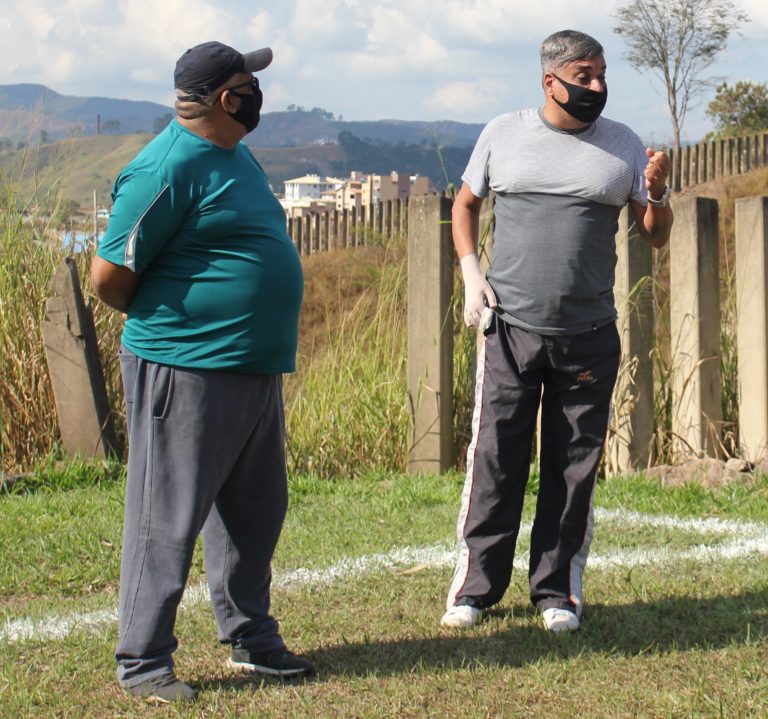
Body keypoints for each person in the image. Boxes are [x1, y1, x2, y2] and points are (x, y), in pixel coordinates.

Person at [90, 41, 313, 703]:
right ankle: (143, 661)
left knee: (254, 512)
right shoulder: (164, 168)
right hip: (183, 367)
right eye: (250, 83)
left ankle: (251, 636)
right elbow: (109, 277)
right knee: (166, 518)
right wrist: (181, 327)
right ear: (225, 97)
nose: (257, 95)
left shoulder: (233, 154)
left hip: (251, 369)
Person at [441, 30, 673, 633]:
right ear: (552, 81)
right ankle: (475, 589)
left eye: (602, 75)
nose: (597, 86)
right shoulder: (503, 134)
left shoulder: (622, 144)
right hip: (510, 328)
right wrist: (471, 275)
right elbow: (464, 205)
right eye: (585, 75)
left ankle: (556, 592)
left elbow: (656, 232)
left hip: (589, 332)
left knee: (574, 462)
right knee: (496, 458)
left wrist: (660, 190)